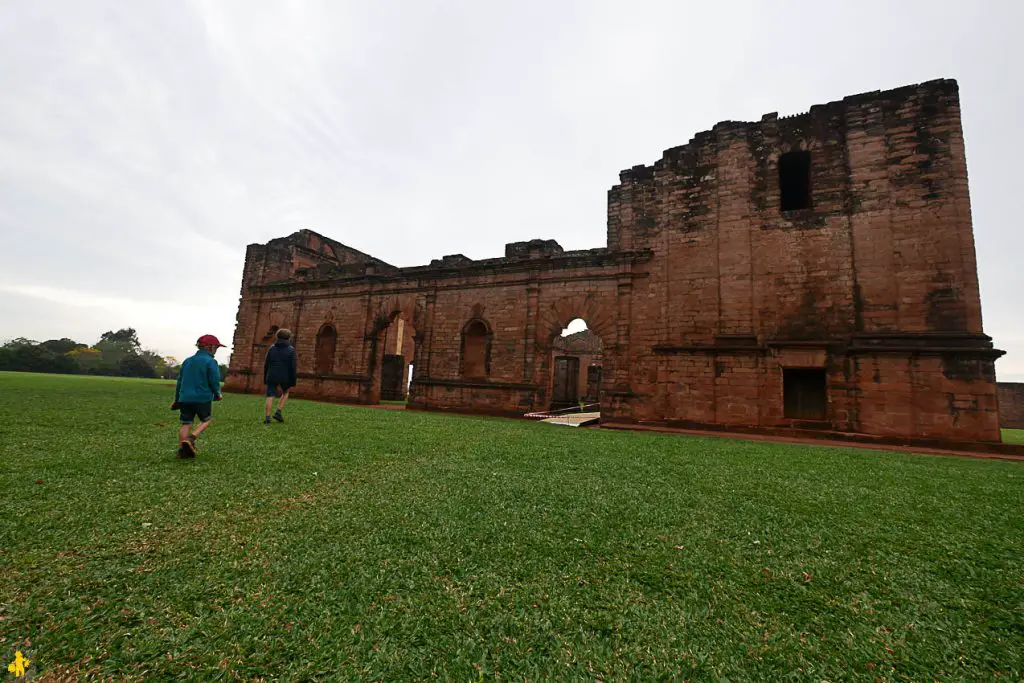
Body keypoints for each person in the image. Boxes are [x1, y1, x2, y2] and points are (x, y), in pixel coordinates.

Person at [171, 334, 225, 458]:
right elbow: (214, 380)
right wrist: (217, 393)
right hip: (202, 397)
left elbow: (180, 381)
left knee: (186, 423)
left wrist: (177, 399)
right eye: (216, 348)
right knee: (206, 420)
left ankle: (182, 450)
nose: (216, 351)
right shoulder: (211, 361)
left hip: (184, 398)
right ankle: (191, 438)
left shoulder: (187, 361)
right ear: (210, 347)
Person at [264, 328, 297, 424]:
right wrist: (293, 380)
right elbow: (293, 366)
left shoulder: (271, 348)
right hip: (285, 376)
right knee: (286, 392)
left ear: (277, 337)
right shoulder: (291, 350)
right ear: (288, 338)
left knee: (270, 395)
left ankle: (267, 418)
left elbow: (266, 363)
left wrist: (266, 376)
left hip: (272, 374)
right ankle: (278, 411)